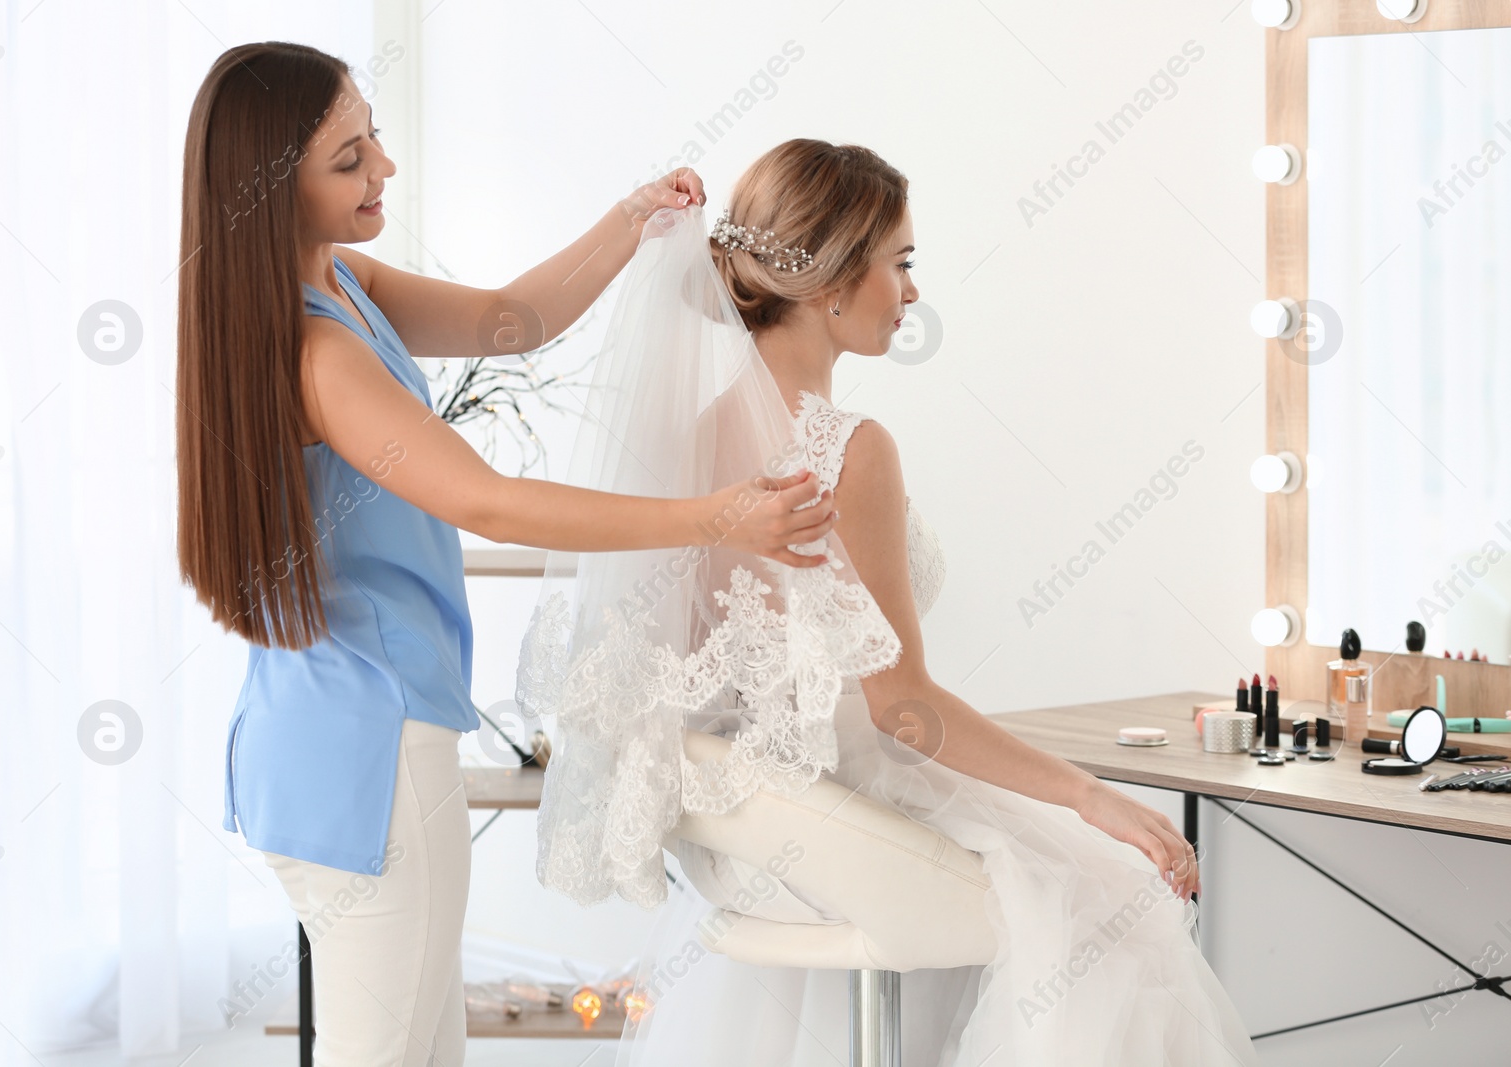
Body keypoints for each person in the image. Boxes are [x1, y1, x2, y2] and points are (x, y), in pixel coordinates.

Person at [517, 139, 1259, 1065]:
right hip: (840, 814)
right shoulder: (849, 448)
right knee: (1111, 900)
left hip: (745, 837)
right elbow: (903, 710)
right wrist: (1090, 798)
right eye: (901, 263)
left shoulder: (685, 443)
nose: (912, 293)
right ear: (831, 277)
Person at [174, 42, 838, 1067]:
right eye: (348, 159)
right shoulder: (320, 353)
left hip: (318, 735)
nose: (382, 169)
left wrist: (630, 220)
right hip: (370, 752)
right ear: (271, 192)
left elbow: (508, 320)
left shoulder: (339, 282)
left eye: (375, 139)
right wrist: (715, 516)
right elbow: (488, 499)